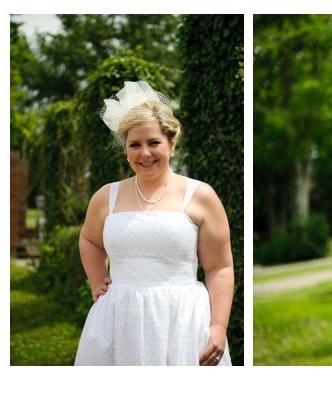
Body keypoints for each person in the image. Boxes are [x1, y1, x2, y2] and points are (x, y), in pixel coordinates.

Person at [74, 81, 233, 366]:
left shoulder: (200, 195)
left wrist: (219, 327)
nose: (144, 153)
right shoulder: (105, 196)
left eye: (154, 143)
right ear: (125, 149)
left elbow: (219, 267)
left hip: (181, 319)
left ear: (171, 144)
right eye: (134, 145)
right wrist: (97, 282)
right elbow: (89, 240)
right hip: (118, 317)